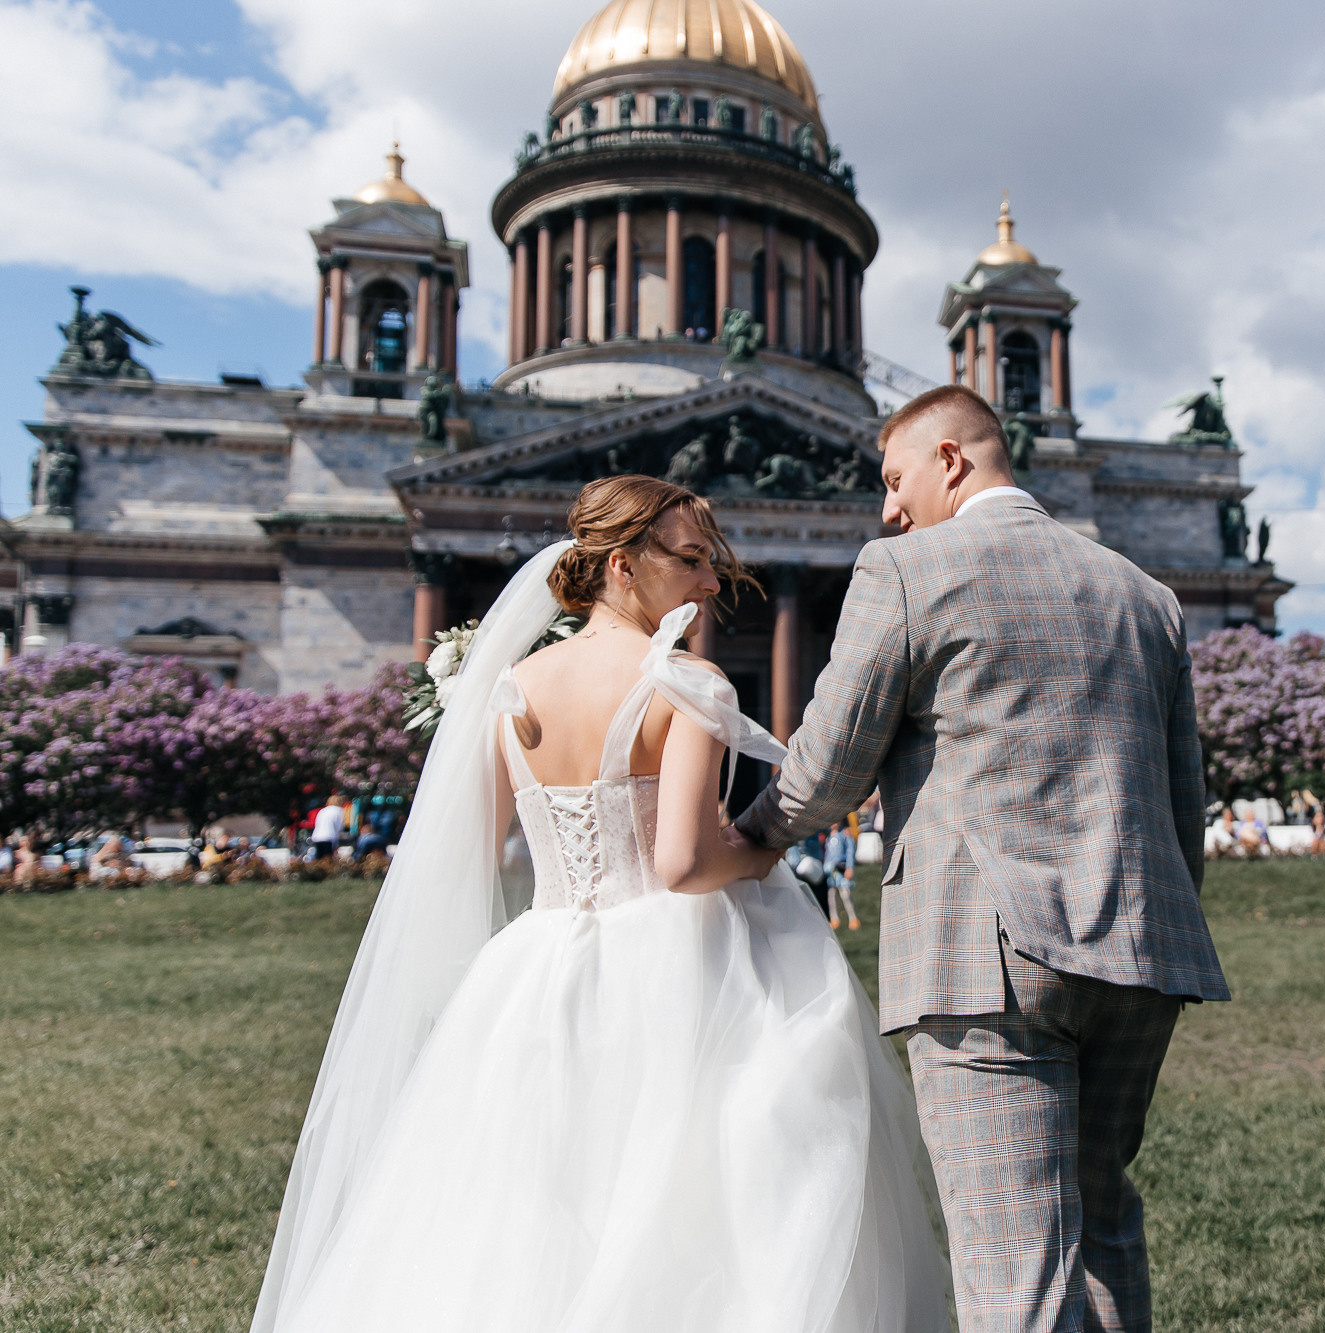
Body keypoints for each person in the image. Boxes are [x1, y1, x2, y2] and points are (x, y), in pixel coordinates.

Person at [252, 477, 950, 1333]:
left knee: (529, 1205)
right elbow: (686, 862)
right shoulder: (688, 681)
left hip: (538, 963)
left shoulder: (507, 688)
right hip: (683, 967)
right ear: (622, 565)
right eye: (691, 561)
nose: (709, 585)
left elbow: (480, 849)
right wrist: (769, 844)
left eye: (713, 563)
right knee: (706, 1201)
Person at [729, 385, 1228, 1333]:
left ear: (951, 459)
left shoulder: (909, 569)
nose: (887, 506)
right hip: (1143, 952)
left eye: (894, 477)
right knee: (1104, 1228)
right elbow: (1181, 800)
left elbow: (830, 764)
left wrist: (748, 832)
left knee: (1015, 1264)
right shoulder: (1146, 595)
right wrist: (1159, 925)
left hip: (983, 958)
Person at [824, 820, 860, 929]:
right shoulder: (828, 838)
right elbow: (827, 853)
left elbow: (850, 851)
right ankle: (834, 918)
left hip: (841, 869)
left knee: (846, 894)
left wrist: (849, 867)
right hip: (831, 872)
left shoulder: (844, 835)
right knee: (832, 896)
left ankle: (853, 918)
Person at [309, 795, 345, 862]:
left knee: (319, 859)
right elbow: (340, 827)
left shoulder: (322, 811)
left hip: (317, 837)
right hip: (329, 837)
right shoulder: (339, 810)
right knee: (327, 859)